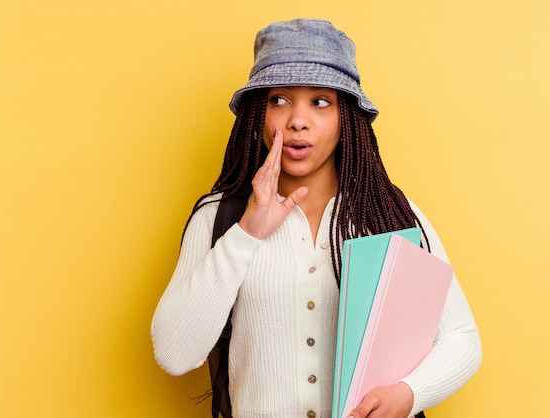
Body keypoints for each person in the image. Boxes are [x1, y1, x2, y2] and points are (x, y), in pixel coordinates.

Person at [151, 18, 481, 418]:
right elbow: (175, 354)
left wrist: (408, 394)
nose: (297, 120)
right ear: (258, 116)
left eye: (320, 101)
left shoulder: (389, 213)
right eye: (279, 100)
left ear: (347, 120)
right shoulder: (219, 217)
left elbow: (462, 339)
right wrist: (247, 233)